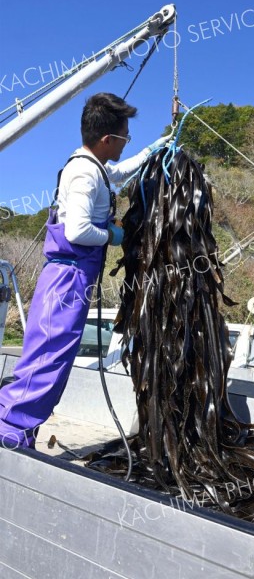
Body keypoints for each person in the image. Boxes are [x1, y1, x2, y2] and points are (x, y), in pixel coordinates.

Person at [0, 92, 169, 449]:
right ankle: (9, 432)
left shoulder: (95, 167)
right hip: (66, 278)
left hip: (74, 277)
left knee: (53, 359)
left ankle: (21, 430)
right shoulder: (84, 174)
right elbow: (77, 231)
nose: (127, 143)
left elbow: (119, 172)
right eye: (126, 137)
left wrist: (154, 149)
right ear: (108, 139)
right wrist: (112, 234)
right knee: (47, 359)